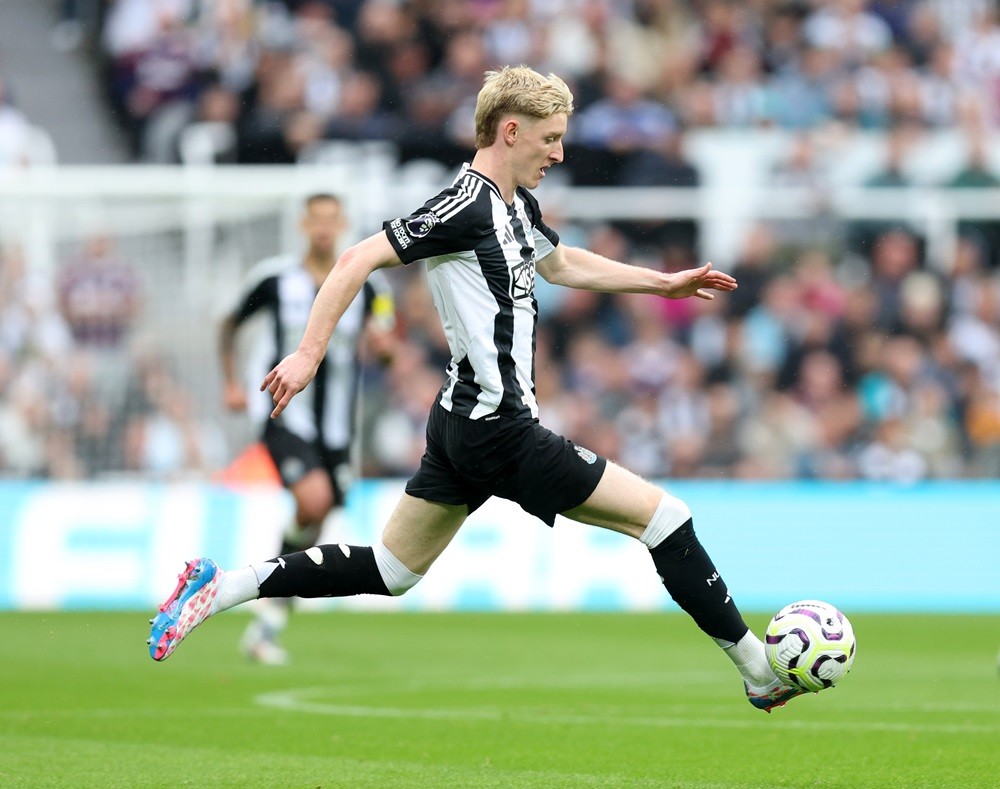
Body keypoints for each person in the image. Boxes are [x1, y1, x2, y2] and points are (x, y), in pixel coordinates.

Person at [148, 65, 804, 713]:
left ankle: (223, 585)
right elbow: (357, 258)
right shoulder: (463, 205)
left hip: (462, 418)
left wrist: (663, 283)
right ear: (511, 131)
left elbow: (563, 262)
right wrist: (308, 352)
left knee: (393, 570)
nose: (559, 152)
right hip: (501, 429)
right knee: (664, 517)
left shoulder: (518, 205)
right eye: (550, 138)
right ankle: (757, 670)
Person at [217, 193, 396, 664]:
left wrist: (383, 347)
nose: (322, 228)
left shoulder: (370, 287)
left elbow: (387, 346)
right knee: (313, 501)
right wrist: (232, 382)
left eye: (330, 220)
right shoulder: (276, 279)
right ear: (303, 224)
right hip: (281, 412)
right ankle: (260, 597)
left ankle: (268, 623)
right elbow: (229, 323)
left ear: (341, 224)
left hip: (337, 428)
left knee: (316, 518)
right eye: (314, 220)